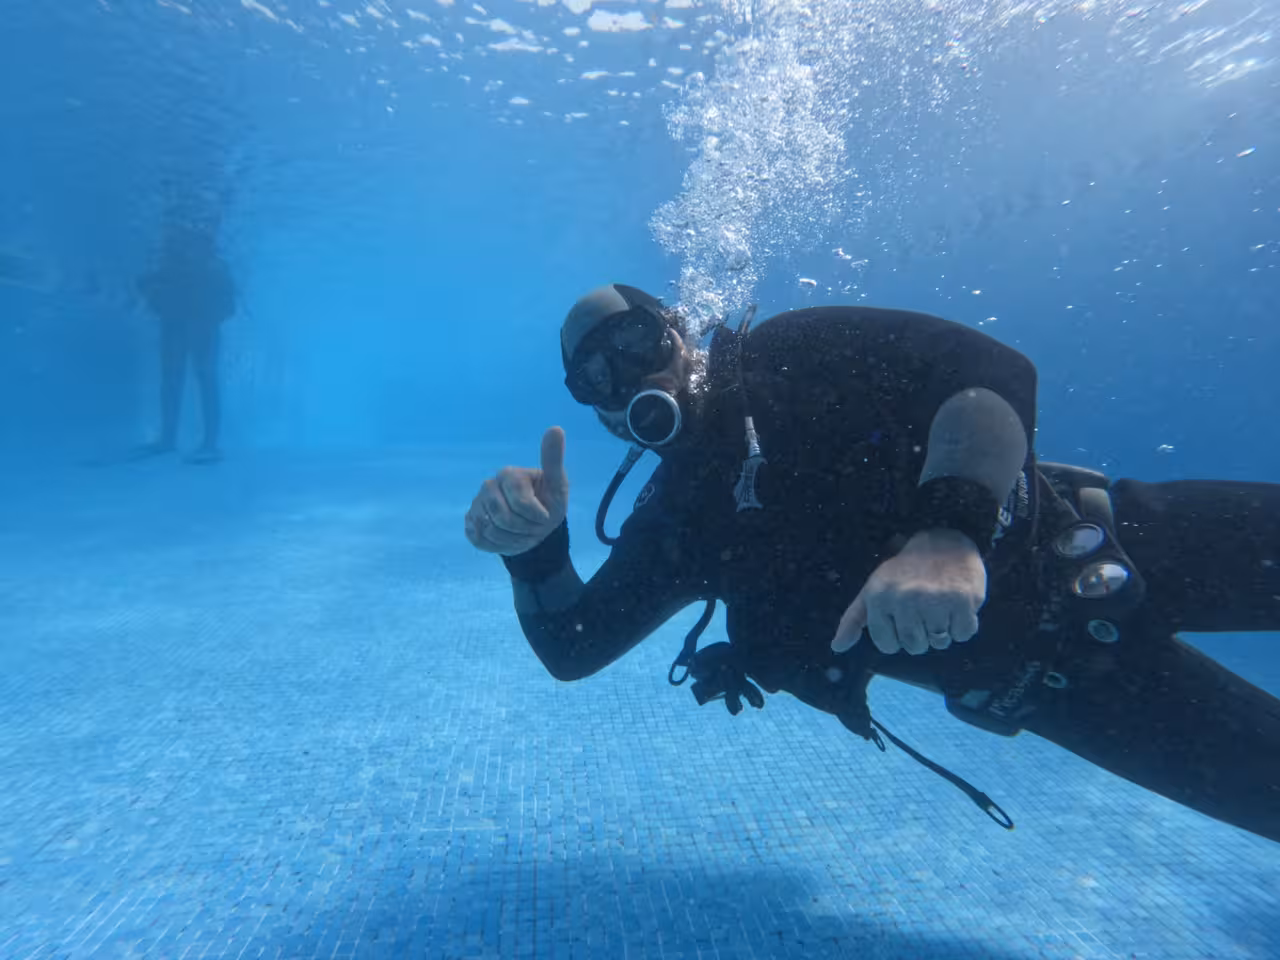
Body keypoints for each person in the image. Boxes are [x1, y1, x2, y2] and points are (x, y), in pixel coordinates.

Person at [464, 284, 1280, 844]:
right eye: (594, 377)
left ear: (681, 330)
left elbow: (989, 370)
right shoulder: (682, 523)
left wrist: (948, 532)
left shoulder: (791, 351)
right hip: (1061, 692)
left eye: (638, 342)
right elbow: (573, 645)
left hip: (1133, 539)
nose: (628, 379)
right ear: (595, 410)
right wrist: (532, 550)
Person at [133, 217, 237, 464]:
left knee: (194, 382)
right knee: (183, 383)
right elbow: (145, 287)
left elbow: (229, 306)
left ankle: (201, 442)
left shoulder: (210, 267)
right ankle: (179, 440)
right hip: (184, 328)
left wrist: (205, 318)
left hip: (193, 329)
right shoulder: (180, 266)